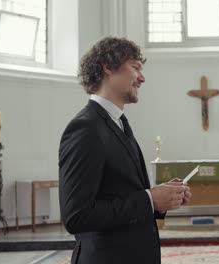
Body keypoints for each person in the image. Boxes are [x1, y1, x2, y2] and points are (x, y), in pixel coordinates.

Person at [59, 37, 191, 264]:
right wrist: (150, 199)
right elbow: (76, 216)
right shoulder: (85, 128)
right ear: (108, 66)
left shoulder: (118, 122)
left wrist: (163, 198)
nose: (142, 78)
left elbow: (121, 192)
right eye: (135, 67)